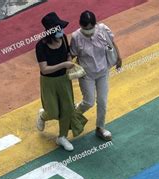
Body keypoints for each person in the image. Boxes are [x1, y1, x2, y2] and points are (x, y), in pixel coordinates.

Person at [35, 12, 87, 151]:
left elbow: (68, 54)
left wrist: (69, 62)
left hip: (64, 79)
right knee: (52, 111)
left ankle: (62, 137)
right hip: (49, 82)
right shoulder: (41, 46)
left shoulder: (63, 38)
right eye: (58, 29)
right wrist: (64, 65)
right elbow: (44, 69)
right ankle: (43, 115)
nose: (62, 31)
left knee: (67, 109)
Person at [70, 10, 122, 141]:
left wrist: (118, 57)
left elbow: (112, 42)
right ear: (80, 26)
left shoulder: (103, 29)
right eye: (85, 29)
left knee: (103, 101)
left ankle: (100, 128)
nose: (89, 31)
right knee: (89, 101)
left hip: (103, 71)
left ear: (95, 24)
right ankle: (71, 115)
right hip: (86, 74)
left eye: (91, 28)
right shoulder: (76, 37)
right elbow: (72, 54)